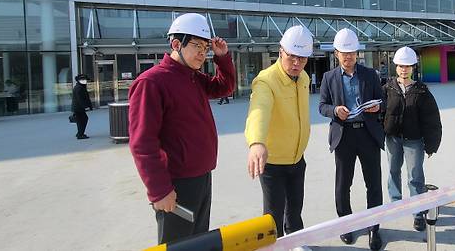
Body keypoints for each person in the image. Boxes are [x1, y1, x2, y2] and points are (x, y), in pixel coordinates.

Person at [128, 13, 235, 244]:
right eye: (197, 45)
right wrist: (159, 190)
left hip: (201, 177)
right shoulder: (151, 83)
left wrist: (223, 58)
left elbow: (224, 87)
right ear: (176, 44)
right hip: (176, 184)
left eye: (205, 47)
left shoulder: (193, 77)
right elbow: (142, 143)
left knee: (197, 242)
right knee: (177, 245)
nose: (202, 53)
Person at [319, 28, 384, 250]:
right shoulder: (329, 78)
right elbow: (322, 106)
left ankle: (374, 228)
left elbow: (382, 100)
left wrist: (378, 106)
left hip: (367, 134)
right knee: (343, 184)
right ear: (336, 53)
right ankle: (345, 225)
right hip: (343, 136)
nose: (348, 57)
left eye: (352, 52)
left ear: (357, 53)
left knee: (373, 183)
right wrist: (335, 110)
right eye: (343, 53)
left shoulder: (370, 75)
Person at [245, 25, 313, 237]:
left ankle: (296, 240)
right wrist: (257, 142)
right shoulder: (266, 80)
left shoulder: (303, 79)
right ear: (280, 51)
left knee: (295, 208)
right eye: (291, 57)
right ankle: (273, 246)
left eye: (302, 59)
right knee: (273, 215)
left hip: (297, 159)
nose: (296, 64)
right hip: (273, 163)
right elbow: (259, 111)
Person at [382, 46, 442, 232]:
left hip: (414, 140)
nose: (404, 69)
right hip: (393, 138)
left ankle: (418, 213)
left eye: (407, 66)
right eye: (400, 66)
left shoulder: (422, 91)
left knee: (415, 176)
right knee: (393, 171)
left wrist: (432, 144)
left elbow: (432, 119)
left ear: (413, 67)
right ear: (396, 67)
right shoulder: (387, 88)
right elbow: (378, 113)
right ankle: (395, 204)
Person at [71, 74, 92, 139]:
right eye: (83, 80)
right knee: (82, 120)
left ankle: (80, 133)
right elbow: (80, 99)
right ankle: (80, 134)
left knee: (81, 120)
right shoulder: (79, 88)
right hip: (79, 108)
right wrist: (85, 106)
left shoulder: (80, 87)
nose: (85, 81)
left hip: (78, 107)